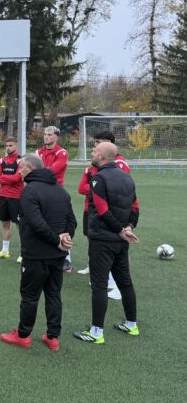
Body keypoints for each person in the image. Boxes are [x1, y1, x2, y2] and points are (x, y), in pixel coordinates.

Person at [0, 154, 76, 351]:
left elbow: (36, 223)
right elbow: (71, 221)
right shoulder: (60, 189)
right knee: (53, 294)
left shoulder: (29, 191)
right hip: (57, 254)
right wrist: (65, 238)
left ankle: (23, 335)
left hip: (36, 254)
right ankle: (53, 337)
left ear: (31, 168)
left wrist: (58, 240)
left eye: (22, 168)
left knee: (30, 296)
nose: (19, 171)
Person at [73, 142, 140, 345]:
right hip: (121, 240)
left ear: (102, 156)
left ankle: (96, 332)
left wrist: (121, 230)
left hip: (103, 240)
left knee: (99, 285)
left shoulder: (99, 178)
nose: (92, 153)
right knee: (125, 282)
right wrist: (128, 228)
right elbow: (135, 207)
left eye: (94, 151)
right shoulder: (126, 176)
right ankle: (131, 325)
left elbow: (102, 210)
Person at [76, 131, 131, 302]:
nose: (94, 146)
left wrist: (96, 188)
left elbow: (118, 187)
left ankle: (117, 285)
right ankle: (96, 270)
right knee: (93, 240)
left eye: (98, 142)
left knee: (117, 245)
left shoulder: (119, 164)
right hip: (91, 209)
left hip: (111, 211)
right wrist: (96, 188)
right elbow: (81, 188)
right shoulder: (92, 166)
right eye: (95, 143)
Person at [37, 126, 71, 271]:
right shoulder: (38, 152)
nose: (46, 137)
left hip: (57, 192)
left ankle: (67, 258)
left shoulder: (62, 153)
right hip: (40, 191)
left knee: (60, 225)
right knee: (42, 223)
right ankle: (44, 254)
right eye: (45, 134)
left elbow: (51, 172)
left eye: (50, 134)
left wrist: (38, 171)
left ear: (56, 137)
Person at [0, 138, 24, 260]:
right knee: (5, 224)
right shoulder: (2, 160)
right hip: (3, 196)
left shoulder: (21, 160)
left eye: (10, 145)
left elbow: (18, 178)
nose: (8, 148)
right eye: (6, 145)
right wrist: (8, 178)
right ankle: (5, 251)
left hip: (16, 197)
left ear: (16, 145)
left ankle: (23, 254)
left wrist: (3, 177)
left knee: (20, 226)